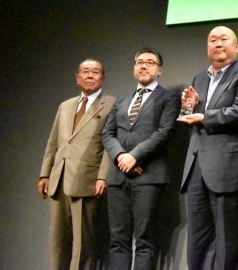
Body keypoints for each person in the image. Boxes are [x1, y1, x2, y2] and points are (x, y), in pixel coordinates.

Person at [178, 26, 238, 270]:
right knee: (197, 242)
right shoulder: (199, 78)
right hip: (197, 167)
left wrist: (204, 116)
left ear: (236, 46)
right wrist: (190, 107)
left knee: (228, 243)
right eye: (212, 40)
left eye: (224, 39)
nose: (217, 44)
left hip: (228, 168)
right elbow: (193, 117)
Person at [101, 46, 180, 270]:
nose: (144, 66)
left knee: (145, 240)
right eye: (139, 62)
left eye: (150, 62)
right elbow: (107, 133)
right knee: (118, 240)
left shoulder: (169, 98)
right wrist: (121, 157)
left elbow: (165, 132)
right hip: (118, 178)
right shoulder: (122, 99)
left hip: (149, 176)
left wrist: (134, 157)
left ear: (160, 70)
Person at [38, 59, 115, 270]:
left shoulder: (111, 104)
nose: (90, 75)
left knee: (84, 244)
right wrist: (45, 174)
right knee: (58, 242)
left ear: (103, 77)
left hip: (87, 180)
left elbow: (110, 144)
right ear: (77, 77)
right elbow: (53, 142)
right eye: (85, 71)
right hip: (59, 180)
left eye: (95, 72)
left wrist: (102, 176)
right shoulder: (65, 105)